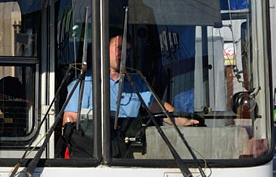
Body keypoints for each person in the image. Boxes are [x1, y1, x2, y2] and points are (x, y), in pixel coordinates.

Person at [62, 34, 197, 127]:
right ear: (103, 50)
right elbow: (70, 121)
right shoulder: (84, 83)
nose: (123, 54)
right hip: (96, 152)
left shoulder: (136, 83)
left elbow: (157, 108)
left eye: (127, 50)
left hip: (130, 151)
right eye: (119, 48)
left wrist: (185, 122)